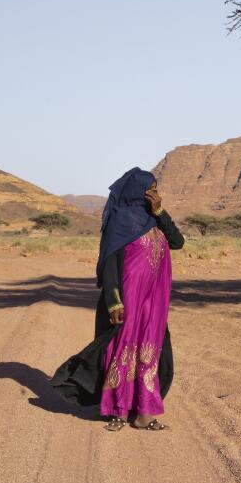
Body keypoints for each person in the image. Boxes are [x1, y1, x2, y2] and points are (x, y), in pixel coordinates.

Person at [51, 168, 184, 430]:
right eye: (151, 189)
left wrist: (159, 212)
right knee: (122, 348)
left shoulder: (154, 219)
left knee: (148, 349)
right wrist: (114, 301)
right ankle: (118, 411)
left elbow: (178, 242)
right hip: (129, 296)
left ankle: (144, 413)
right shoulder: (121, 221)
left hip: (154, 299)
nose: (155, 194)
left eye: (156, 189)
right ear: (137, 190)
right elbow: (110, 264)